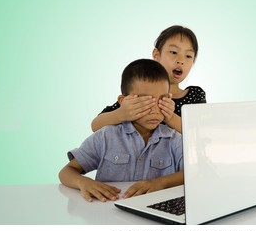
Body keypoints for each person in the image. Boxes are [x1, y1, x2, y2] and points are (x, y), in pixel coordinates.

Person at [59, 59, 184, 202]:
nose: (155, 110)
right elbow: (66, 172)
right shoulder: (106, 136)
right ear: (123, 101)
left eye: (162, 100)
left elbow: (194, 173)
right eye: (145, 102)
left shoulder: (174, 139)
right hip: (109, 211)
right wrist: (84, 183)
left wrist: (160, 183)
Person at [91, 25, 206, 133]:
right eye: (174, 52)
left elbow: (199, 134)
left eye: (188, 56)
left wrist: (170, 117)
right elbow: (95, 126)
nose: (181, 60)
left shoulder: (195, 95)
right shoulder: (142, 90)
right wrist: (122, 113)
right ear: (156, 55)